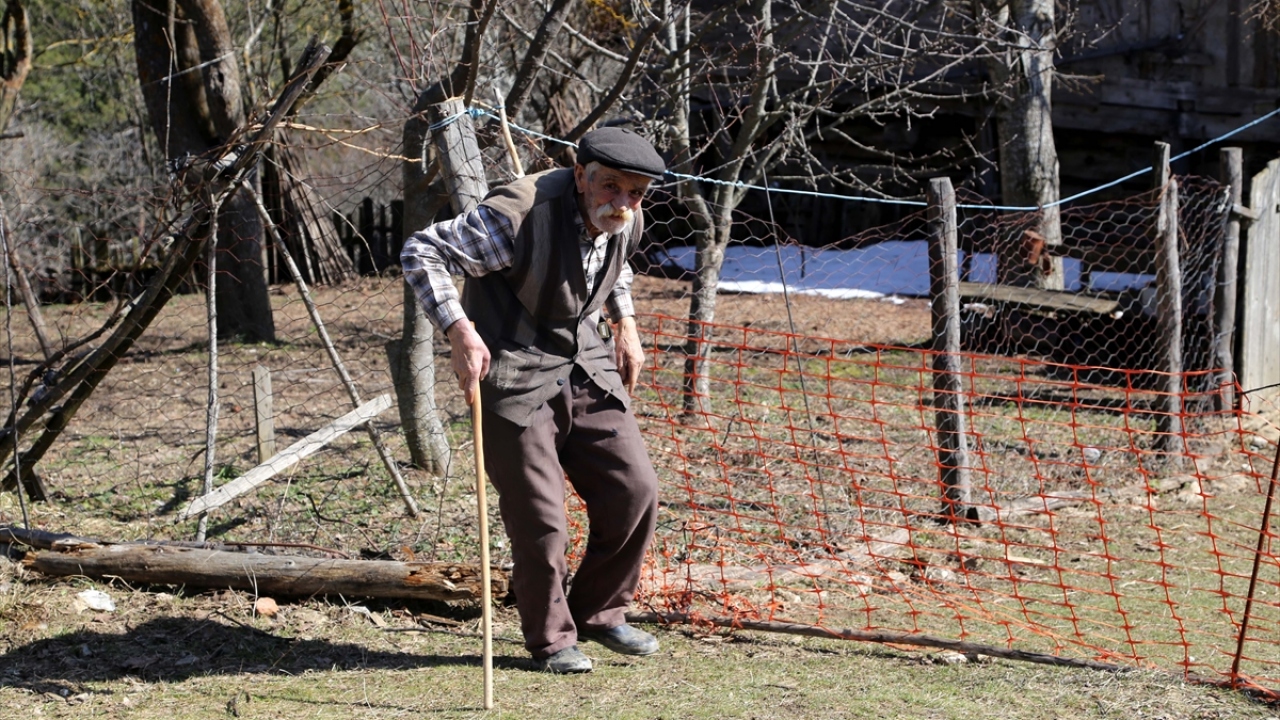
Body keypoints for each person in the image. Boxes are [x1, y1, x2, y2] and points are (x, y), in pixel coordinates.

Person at [401, 126, 665, 674]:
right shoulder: (518, 216)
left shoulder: (626, 216)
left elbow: (614, 266)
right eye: (609, 186)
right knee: (542, 517)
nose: (621, 202)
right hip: (514, 367)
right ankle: (551, 640)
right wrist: (457, 328)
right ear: (580, 176)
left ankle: (600, 612)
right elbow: (422, 250)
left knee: (635, 489)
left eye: (634, 192)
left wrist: (626, 323)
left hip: (585, 361)